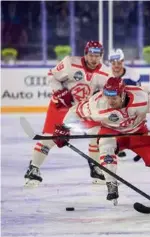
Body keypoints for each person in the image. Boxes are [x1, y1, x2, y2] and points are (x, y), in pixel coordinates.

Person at [53, 77, 150, 204]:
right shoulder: (96, 104)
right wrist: (64, 128)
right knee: (106, 147)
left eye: (114, 97)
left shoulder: (141, 96)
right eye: (108, 96)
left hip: (138, 132)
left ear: (123, 93)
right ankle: (111, 184)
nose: (110, 101)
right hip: (112, 132)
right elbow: (76, 111)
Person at [24, 41, 111, 187]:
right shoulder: (70, 63)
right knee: (51, 139)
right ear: (85, 54)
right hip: (61, 106)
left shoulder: (105, 73)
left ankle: (95, 166)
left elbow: (106, 94)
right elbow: (52, 76)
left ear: (101, 56)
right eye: (91, 55)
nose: (94, 59)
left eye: (97, 56)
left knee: (97, 133)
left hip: (83, 109)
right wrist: (60, 92)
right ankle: (33, 169)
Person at [108, 48, 141, 160]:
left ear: (123, 61)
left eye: (119, 62)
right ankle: (117, 144)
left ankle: (141, 145)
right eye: (113, 63)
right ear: (110, 63)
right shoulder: (104, 74)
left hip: (130, 105)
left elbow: (139, 95)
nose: (116, 65)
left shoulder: (133, 75)